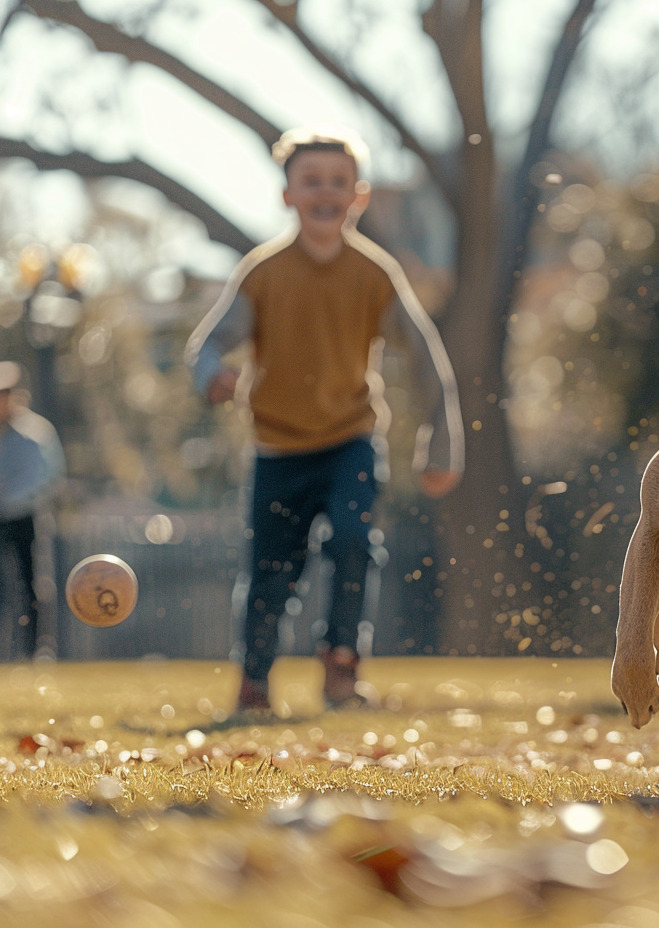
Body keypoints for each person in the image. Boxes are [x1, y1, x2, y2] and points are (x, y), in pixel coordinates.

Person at [185, 126, 464, 714]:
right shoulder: (263, 272)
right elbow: (207, 344)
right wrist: (212, 375)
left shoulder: (375, 272)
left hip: (350, 441)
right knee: (269, 576)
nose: (325, 192)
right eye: (310, 181)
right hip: (277, 450)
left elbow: (426, 357)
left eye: (338, 181)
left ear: (358, 195)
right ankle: (254, 683)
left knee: (355, 540)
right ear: (287, 195)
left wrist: (440, 447)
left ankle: (342, 666)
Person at [0, 361, 65, 661]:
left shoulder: (35, 433)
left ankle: (36, 650)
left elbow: (47, 477)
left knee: (32, 586)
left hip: (25, 518)